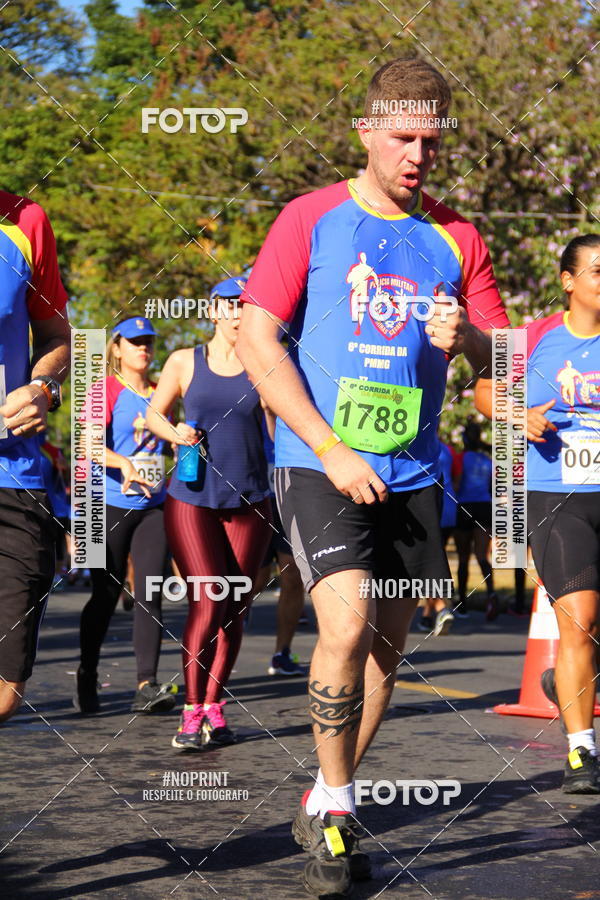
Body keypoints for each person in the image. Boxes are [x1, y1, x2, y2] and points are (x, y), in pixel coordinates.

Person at [236, 56, 509, 897]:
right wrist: (329, 447)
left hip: (414, 469)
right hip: (321, 460)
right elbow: (256, 337)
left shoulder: (459, 238)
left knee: (387, 653)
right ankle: (341, 812)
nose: (417, 155)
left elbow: (503, 368)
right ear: (365, 131)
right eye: (402, 138)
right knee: (347, 624)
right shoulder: (310, 218)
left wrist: (470, 340)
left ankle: (326, 793)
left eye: (431, 141)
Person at [475, 233, 600, 793]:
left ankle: (568, 678)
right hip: (558, 497)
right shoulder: (530, 339)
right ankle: (581, 750)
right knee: (581, 619)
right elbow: (483, 391)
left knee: (588, 636)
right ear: (568, 281)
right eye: (598, 270)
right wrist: (516, 414)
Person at [146, 276, 273, 751]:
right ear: (214, 310)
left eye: (247, 305)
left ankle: (216, 706)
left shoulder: (266, 362)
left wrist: (272, 402)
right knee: (208, 600)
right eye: (232, 305)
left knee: (235, 606)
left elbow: (279, 430)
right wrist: (175, 430)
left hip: (250, 500)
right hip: (191, 498)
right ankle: (190, 710)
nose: (239, 313)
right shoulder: (185, 361)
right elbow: (153, 414)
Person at [75, 316, 176, 716]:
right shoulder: (103, 390)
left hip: (153, 505)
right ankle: (87, 673)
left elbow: (168, 441)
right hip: (106, 503)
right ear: (116, 348)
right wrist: (124, 464)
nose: (143, 348)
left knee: (150, 591)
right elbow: (87, 445)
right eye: (134, 342)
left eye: (148, 341)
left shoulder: (162, 392)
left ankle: (146, 685)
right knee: (104, 594)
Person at [0, 191, 70, 723]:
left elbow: (58, 336)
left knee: (8, 684)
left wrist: (45, 387)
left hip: (13, 473)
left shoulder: (25, 221)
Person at [253, 422, 306, 676]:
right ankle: (222, 641)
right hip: (255, 497)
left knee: (293, 574)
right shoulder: (249, 399)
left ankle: (282, 652)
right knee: (255, 579)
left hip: (291, 495)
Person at [453, 421, 499, 621]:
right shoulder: (487, 460)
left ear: (464, 439)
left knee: (463, 557)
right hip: (484, 507)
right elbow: (493, 486)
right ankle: (492, 594)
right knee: (482, 555)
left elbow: (456, 484)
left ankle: (462, 603)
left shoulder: (460, 458)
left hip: (464, 506)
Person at [417, 439, 457, 635]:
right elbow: (457, 478)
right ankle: (427, 616)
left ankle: (441, 607)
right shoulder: (449, 451)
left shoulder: (417, 445)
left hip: (427, 507)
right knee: (434, 559)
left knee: (425, 562)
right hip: (449, 507)